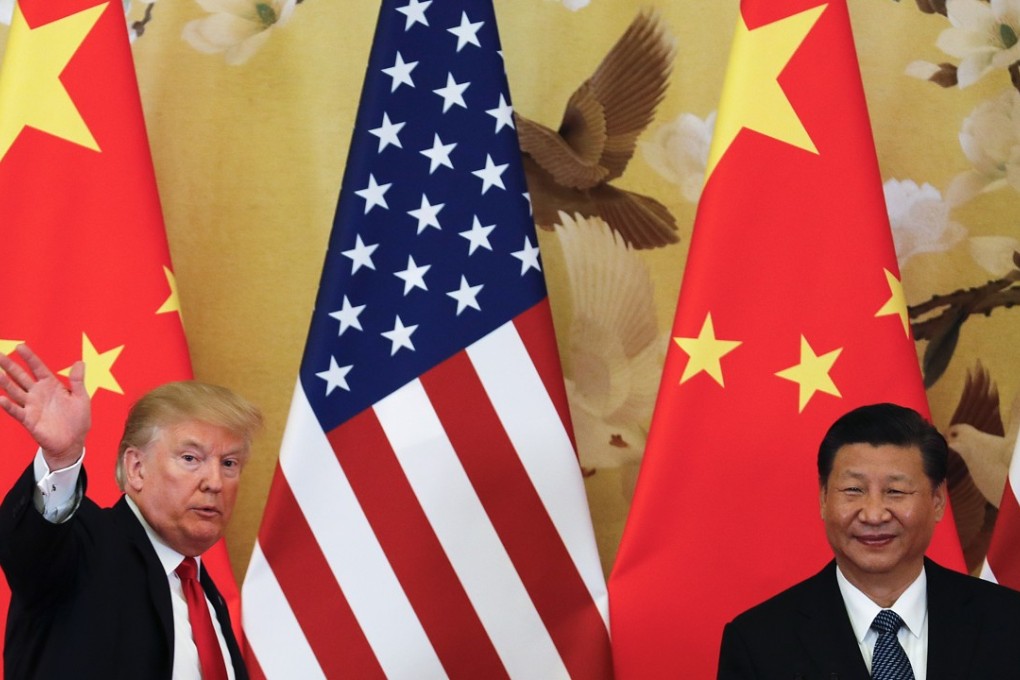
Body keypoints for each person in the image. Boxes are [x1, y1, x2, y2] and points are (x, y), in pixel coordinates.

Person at [0, 343, 261, 679]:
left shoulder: (204, 593)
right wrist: (61, 461)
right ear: (136, 468)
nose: (214, 482)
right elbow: (27, 548)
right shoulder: (86, 547)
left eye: (229, 463)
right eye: (190, 458)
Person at [717, 402, 1020, 679]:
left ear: (938, 501)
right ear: (823, 498)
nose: (874, 515)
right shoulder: (758, 643)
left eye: (896, 492)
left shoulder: (1008, 624)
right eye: (853, 490)